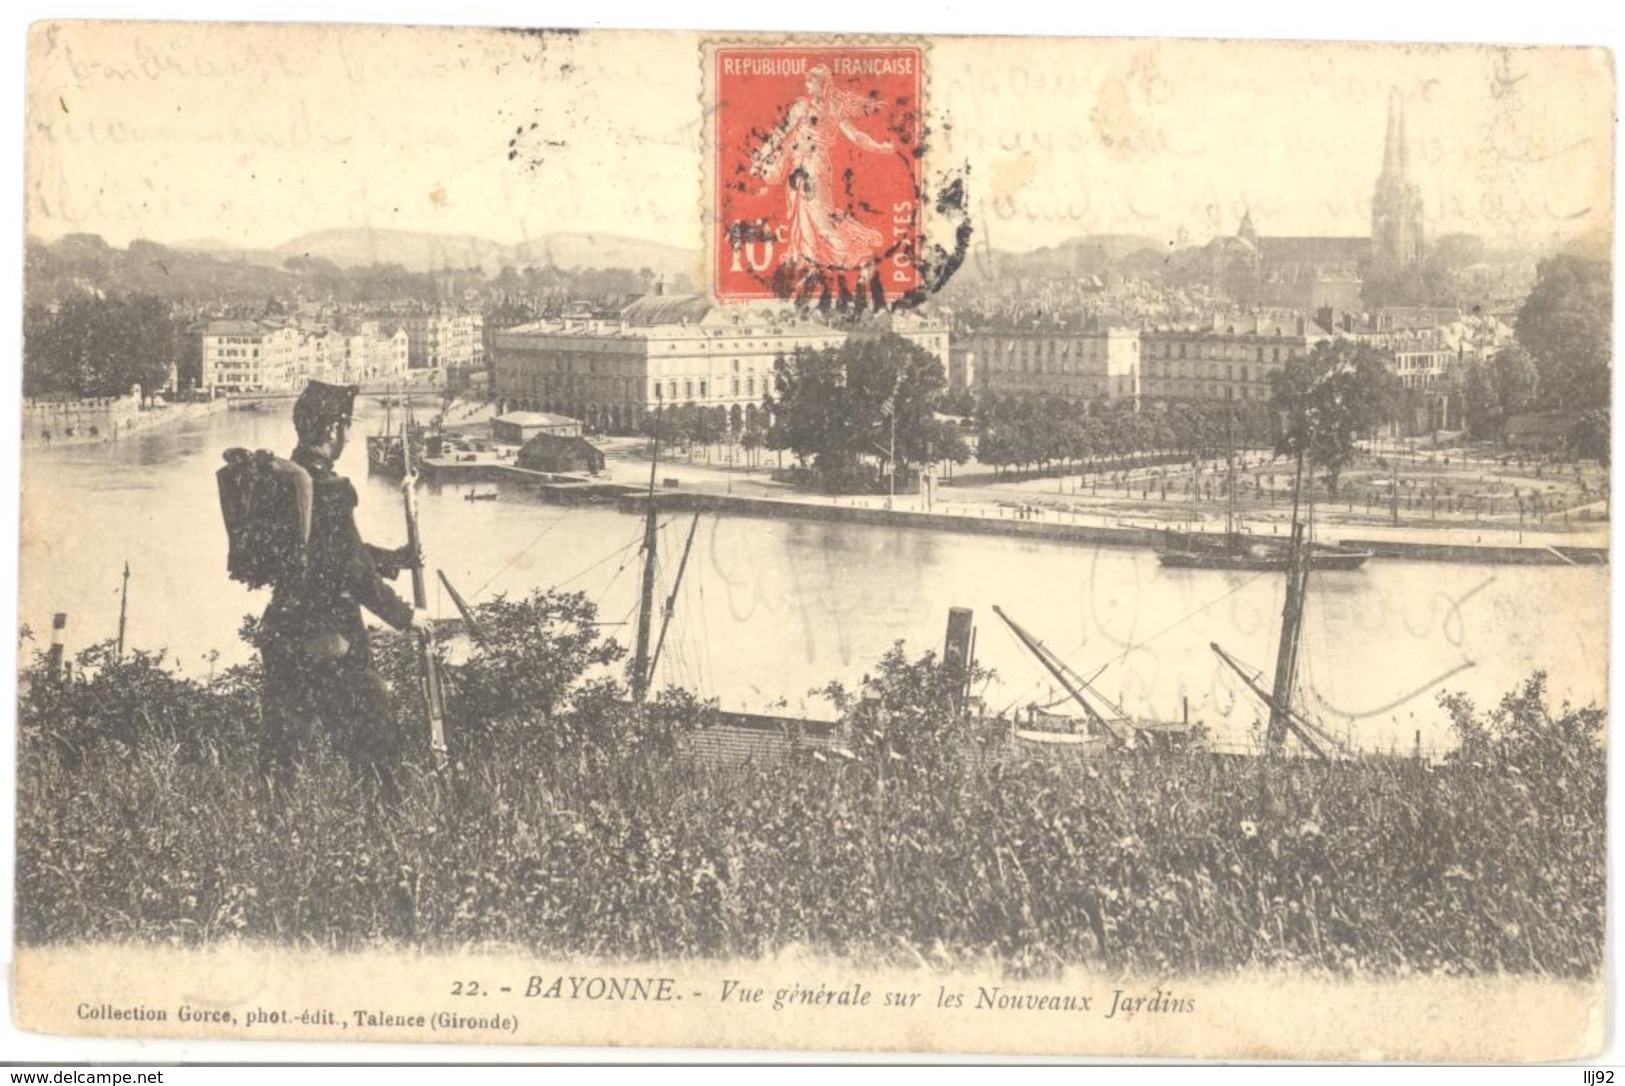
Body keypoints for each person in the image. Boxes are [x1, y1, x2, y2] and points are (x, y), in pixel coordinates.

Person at [257, 380, 425, 802]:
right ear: (332, 429)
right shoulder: (329, 489)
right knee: (375, 734)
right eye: (346, 426)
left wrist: (393, 559)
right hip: (330, 635)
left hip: (283, 629)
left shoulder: (285, 480)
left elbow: (326, 551)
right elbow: (352, 571)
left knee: (283, 743)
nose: (348, 436)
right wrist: (408, 618)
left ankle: (272, 825)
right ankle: (383, 825)